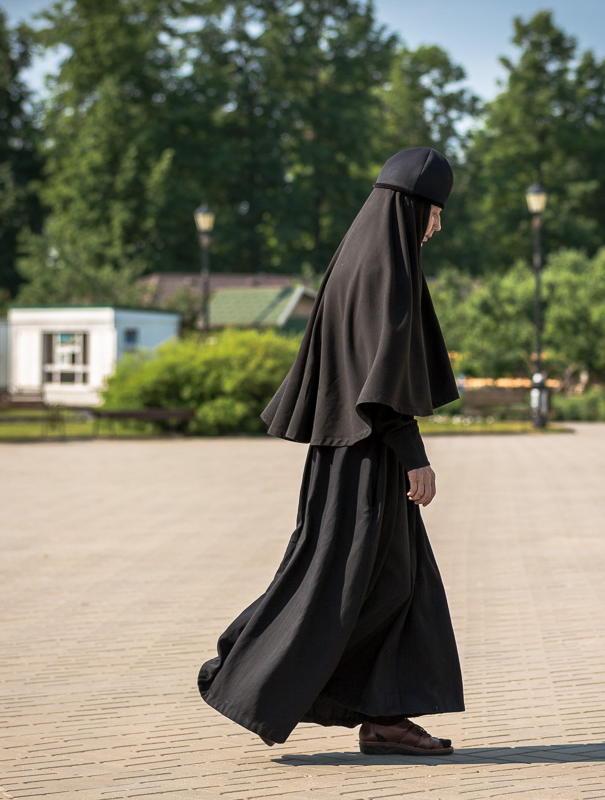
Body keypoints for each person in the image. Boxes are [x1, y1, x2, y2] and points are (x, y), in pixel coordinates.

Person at [197, 147, 463, 757]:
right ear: (411, 207)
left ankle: (386, 718)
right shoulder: (388, 272)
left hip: (344, 454)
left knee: (390, 584)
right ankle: (243, 668)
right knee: (338, 584)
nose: (439, 225)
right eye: (435, 211)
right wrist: (414, 454)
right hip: (369, 457)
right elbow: (382, 379)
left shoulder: (357, 260)